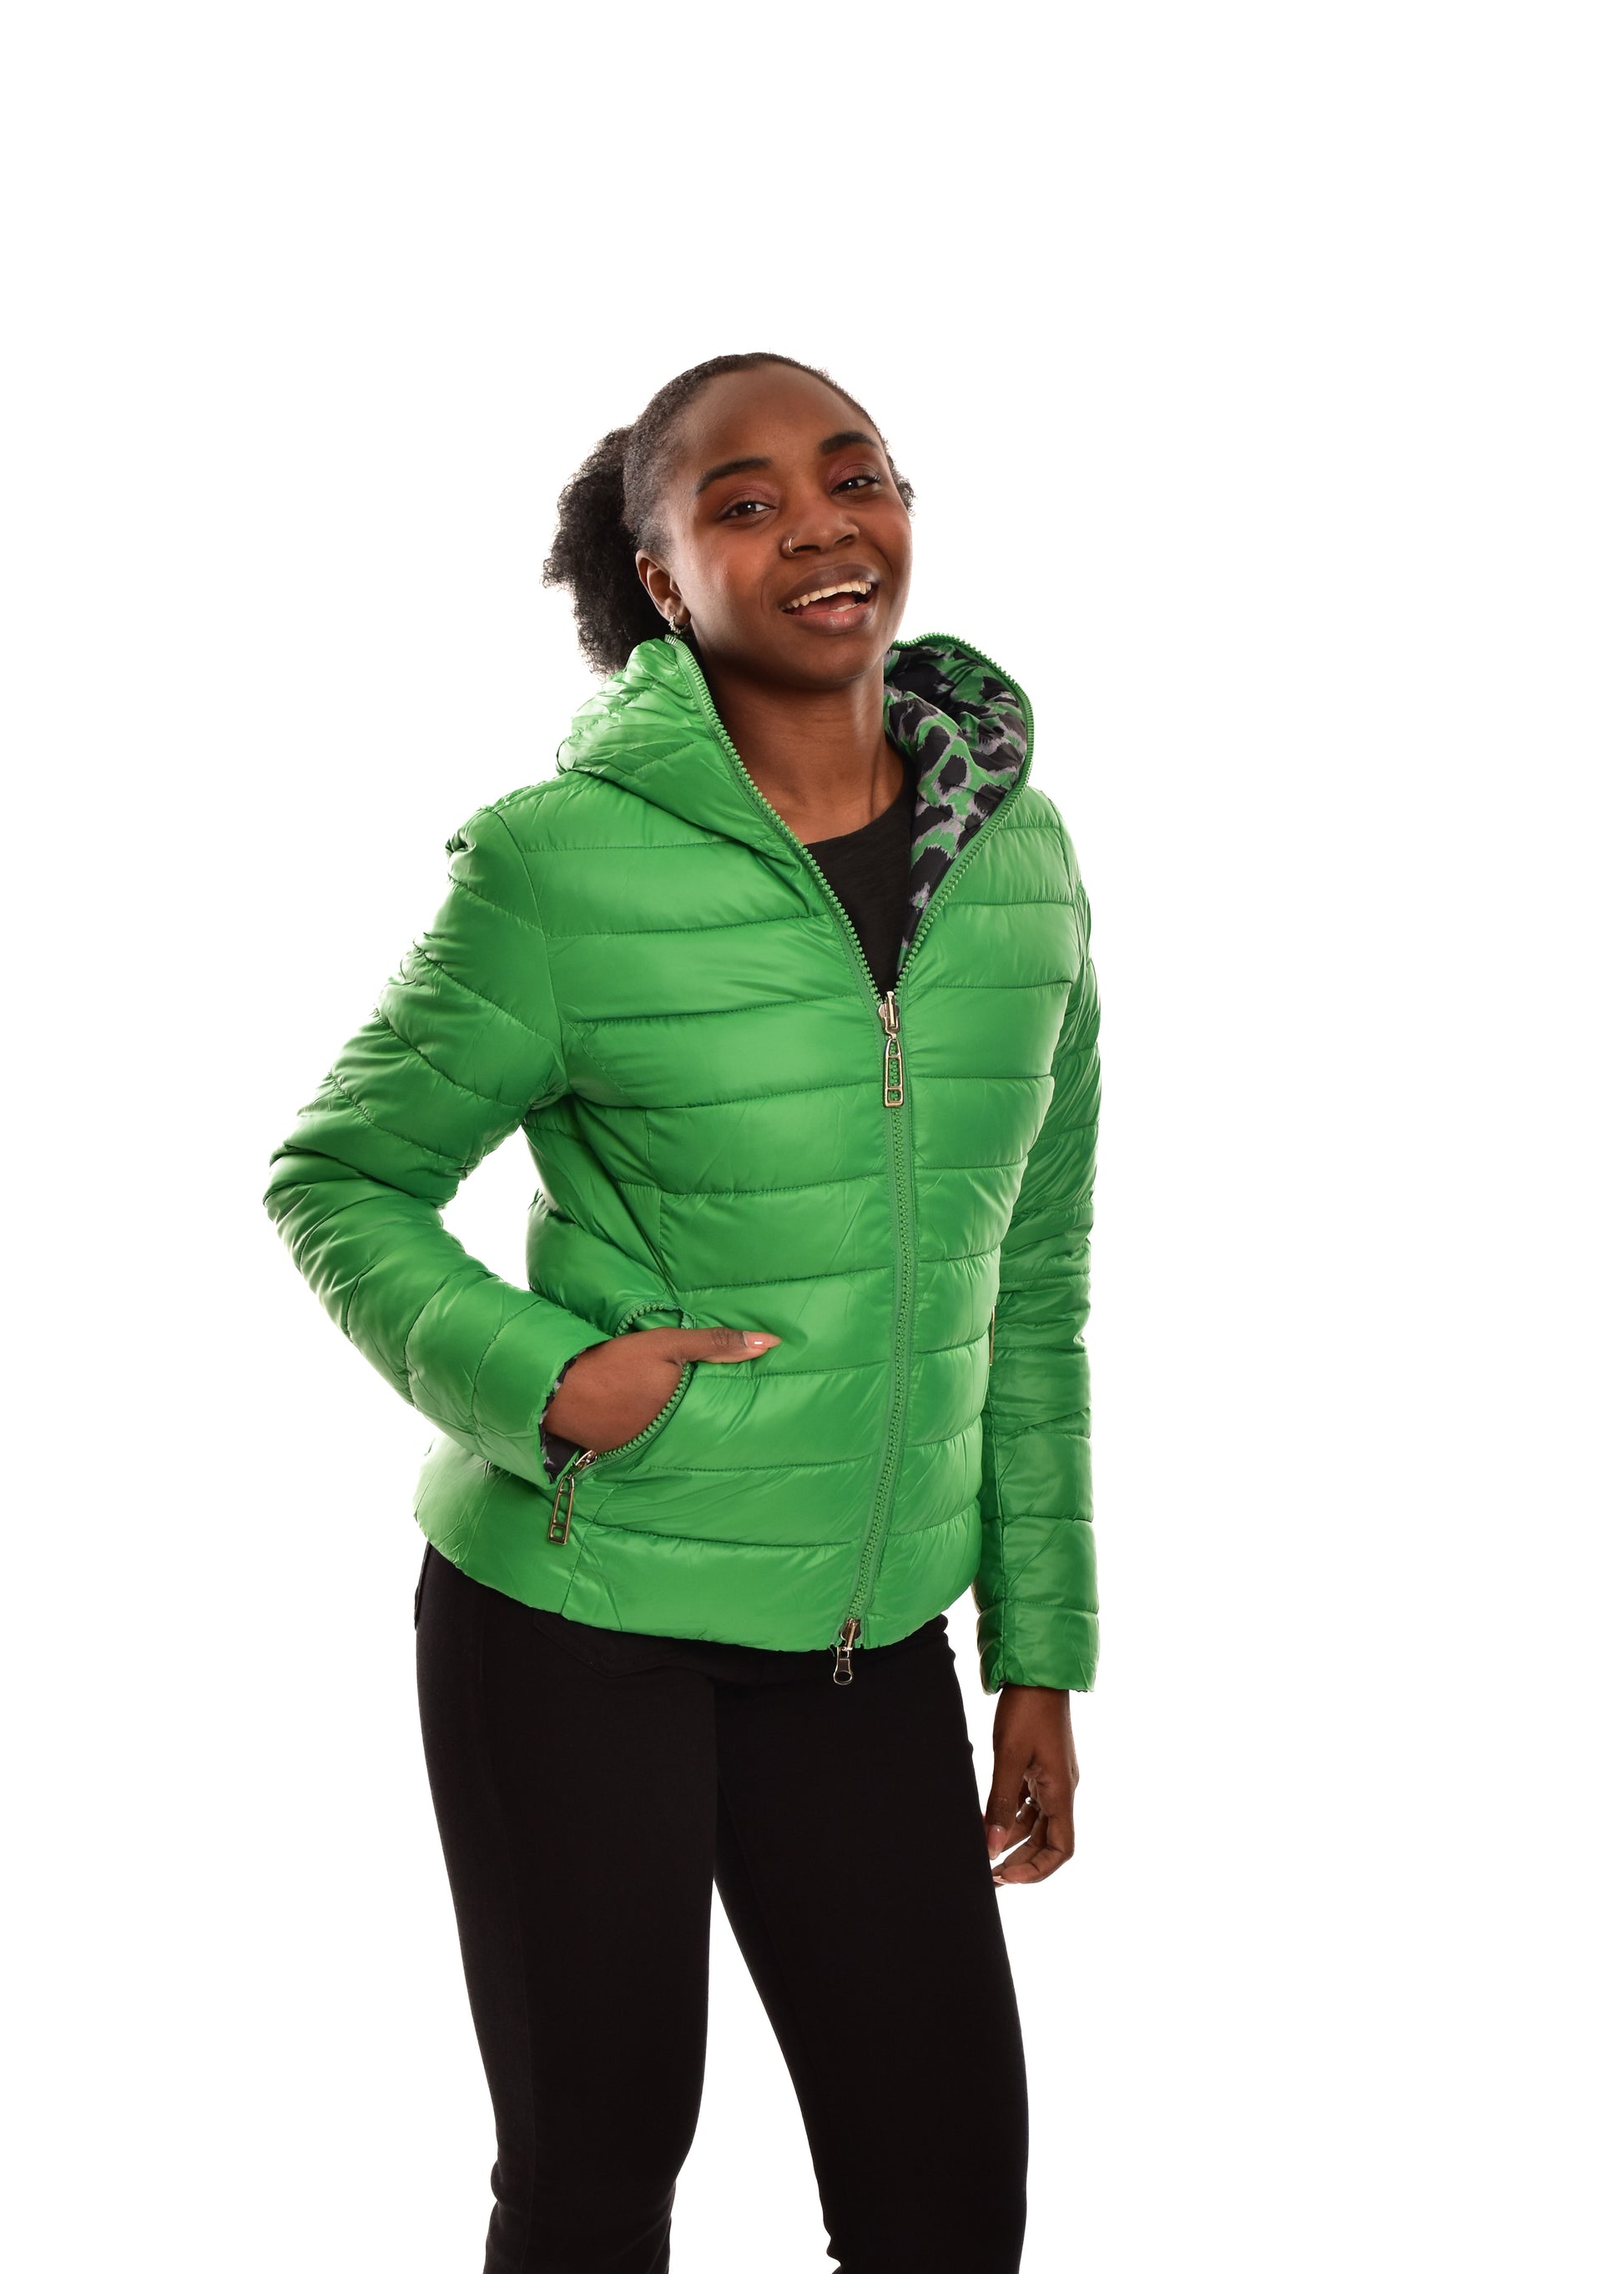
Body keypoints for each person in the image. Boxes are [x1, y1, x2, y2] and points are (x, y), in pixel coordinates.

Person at [264, 350, 1102, 2274]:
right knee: (595, 2180)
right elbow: (339, 1173)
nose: (819, 524)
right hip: (580, 1622)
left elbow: (1040, 1279)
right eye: (743, 502)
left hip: (865, 1640)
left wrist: (1039, 1644)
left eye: (853, 474)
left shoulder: (1022, 864)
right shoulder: (559, 867)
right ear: (660, 579)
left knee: (945, 2192)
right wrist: (548, 1380)